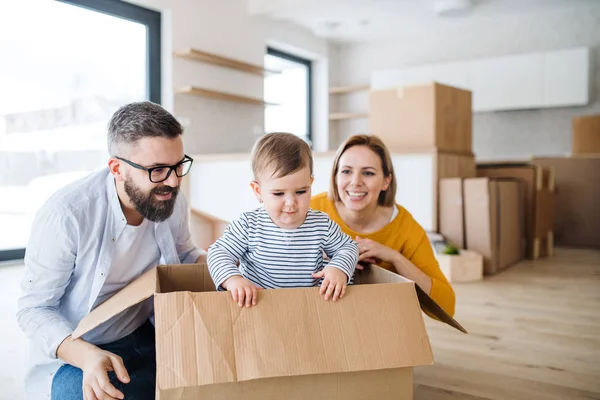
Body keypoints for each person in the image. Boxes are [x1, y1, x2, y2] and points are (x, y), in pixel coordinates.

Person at [17, 101, 206, 400]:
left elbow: (183, 254)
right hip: (84, 346)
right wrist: (84, 355)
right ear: (117, 169)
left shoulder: (169, 198)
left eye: (178, 166)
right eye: (157, 170)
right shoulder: (67, 215)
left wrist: (226, 266)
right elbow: (34, 309)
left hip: (149, 329)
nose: (172, 181)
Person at [310, 134, 456, 317]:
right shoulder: (311, 211)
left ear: (386, 181)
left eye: (368, 173)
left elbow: (447, 306)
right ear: (335, 176)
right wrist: (333, 257)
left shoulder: (405, 228)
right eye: (346, 171)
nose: (355, 181)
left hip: (379, 320)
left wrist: (395, 258)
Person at [207, 132, 358, 307]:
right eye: (279, 193)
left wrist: (338, 268)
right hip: (258, 306)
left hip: (307, 308)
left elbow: (348, 247)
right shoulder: (249, 225)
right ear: (258, 191)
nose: (291, 202)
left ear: (310, 184)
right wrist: (233, 280)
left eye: (301, 191)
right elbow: (218, 253)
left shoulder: (321, 224)